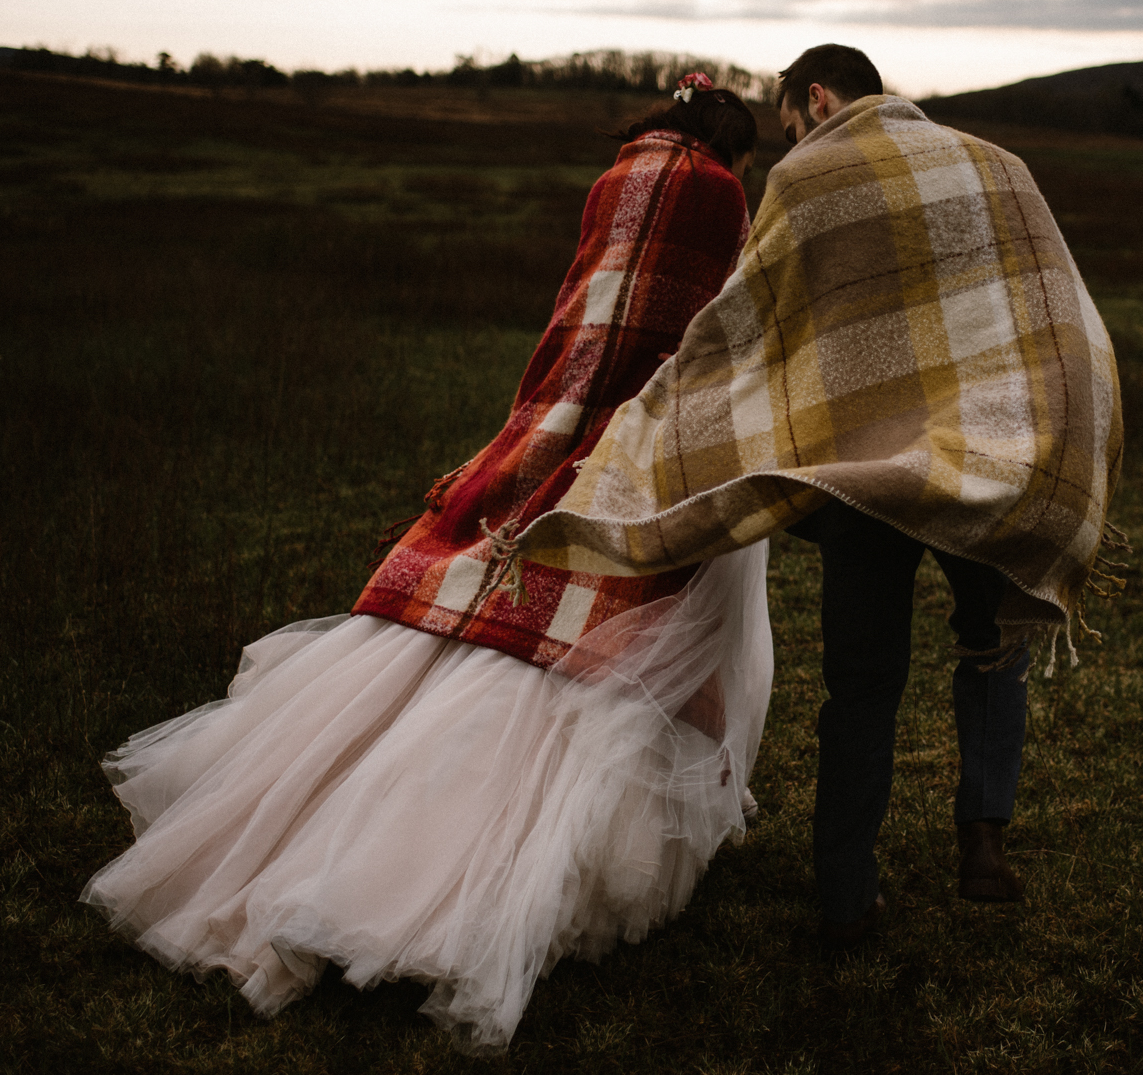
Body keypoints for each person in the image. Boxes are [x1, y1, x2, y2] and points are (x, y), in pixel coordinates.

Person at [81, 73, 771, 1051]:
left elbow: (582, 321)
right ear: (731, 147)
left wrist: (536, 433)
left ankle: (343, 825)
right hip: (648, 432)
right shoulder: (711, 192)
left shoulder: (617, 175)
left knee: (481, 613)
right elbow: (691, 334)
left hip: (561, 413)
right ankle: (477, 864)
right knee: (651, 619)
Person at [518, 44, 1125, 946]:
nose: (792, 140)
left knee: (864, 681)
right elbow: (1048, 305)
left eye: (792, 123)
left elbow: (750, 317)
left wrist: (662, 415)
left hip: (861, 468)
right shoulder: (998, 164)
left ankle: (846, 891)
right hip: (984, 453)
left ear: (813, 98)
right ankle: (983, 845)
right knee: (992, 645)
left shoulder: (809, 174)